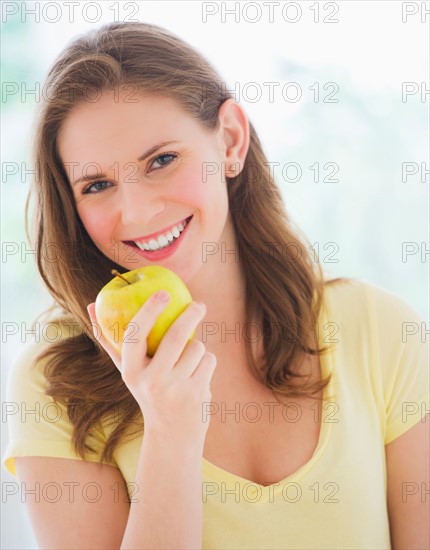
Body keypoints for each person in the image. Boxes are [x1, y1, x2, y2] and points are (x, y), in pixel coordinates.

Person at [3, 21, 429, 550]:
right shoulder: (55, 384)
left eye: (162, 160)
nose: (136, 212)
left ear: (230, 140)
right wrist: (170, 434)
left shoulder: (382, 331)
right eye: (98, 185)